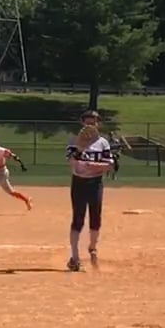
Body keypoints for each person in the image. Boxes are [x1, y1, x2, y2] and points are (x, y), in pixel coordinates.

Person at [65, 109, 120, 271]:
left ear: (98, 124)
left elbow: (109, 165)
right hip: (79, 183)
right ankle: (75, 257)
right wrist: (80, 149)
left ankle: (92, 247)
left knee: (96, 217)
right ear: (82, 123)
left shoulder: (103, 143)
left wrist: (90, 165)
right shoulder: (74, 140)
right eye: (87, 122)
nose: (90, 125)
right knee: (78, 218)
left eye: (93, 122)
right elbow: (72, 162)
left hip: (95, 183)